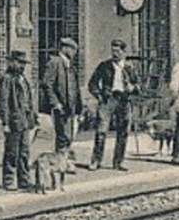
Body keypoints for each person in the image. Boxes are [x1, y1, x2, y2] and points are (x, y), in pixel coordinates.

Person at [86, 39, 140, 171]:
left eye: (118, 51)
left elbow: (138, 86)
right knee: (101, 131)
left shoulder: (130, 67)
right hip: (108, 100)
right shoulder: (104, 66)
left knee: (123, 132)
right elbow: (92, 83)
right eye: (113, 51)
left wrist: (132, 88)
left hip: (124, 100)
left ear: (123, 52)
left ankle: (119, 161)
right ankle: (96, 161)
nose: (115, 54)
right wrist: (99, 96)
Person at [0, 50, 38, 191]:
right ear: (11, 62)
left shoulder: (23, 79)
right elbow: (3, 102)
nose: (22, 66)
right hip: (14, 120)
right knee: (12, 152)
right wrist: (5, 122)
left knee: (25, 151)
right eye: (19, 62)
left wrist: (33, 118)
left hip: (25, 120)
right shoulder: (6, 79)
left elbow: (29, 100)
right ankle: (9, 180)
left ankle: (24, 180)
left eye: (23, 63)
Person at [41, 37, 81, 166]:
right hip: (60, 106)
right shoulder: (54, 63)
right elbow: (47, 84)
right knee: (63, 135)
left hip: (70, 106)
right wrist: (55, 103)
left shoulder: (70, 66)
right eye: (73, 49)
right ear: (65, 48)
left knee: (68, 135)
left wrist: (79, 107)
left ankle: (64, 160)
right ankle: (62, 162)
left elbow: (75, 87)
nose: (74, 53)